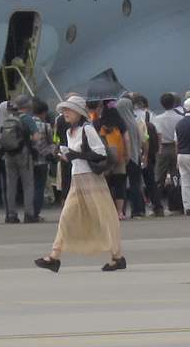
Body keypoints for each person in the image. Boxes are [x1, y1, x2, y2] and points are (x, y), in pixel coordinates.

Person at [35, 95, 125, 273]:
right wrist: (63, 155)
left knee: (105, 218)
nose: (65, 113)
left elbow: (100, 153)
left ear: (78, 112)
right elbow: (76, 156)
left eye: (68, 110)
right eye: (64, 110)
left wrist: (76, 155)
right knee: (66, 217)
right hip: (77, 178)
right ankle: (54, 256)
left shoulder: (87, 129)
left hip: (92, 179)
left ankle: (117, 256)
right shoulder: (70, 132)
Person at [0, 96, 36, 224]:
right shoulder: (27, 119)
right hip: (23, 154)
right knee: (27, 184)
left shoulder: (8, 118)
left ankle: (11, 214)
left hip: (8, 154)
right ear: (27, 105)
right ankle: (28, 214)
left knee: (11, 185)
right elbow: (36, 136)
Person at [149, 93, 182, 217]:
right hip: (176, 148)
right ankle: (176, 206)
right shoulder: (180, 118)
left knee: (159, 177)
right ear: (174, 103)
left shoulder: (157, 118)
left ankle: (157, 207)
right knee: (175, 177)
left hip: (162, 148)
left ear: (162, 104)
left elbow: (156, 134)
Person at [115, 94, 148, 219]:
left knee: (120, 185)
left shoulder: (116, 123)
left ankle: (121, 211)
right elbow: (143, 139)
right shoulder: (135, 122)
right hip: (134, 156)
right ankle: (137, 210)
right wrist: (143, 154)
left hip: (120, 157)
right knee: (135, 184)